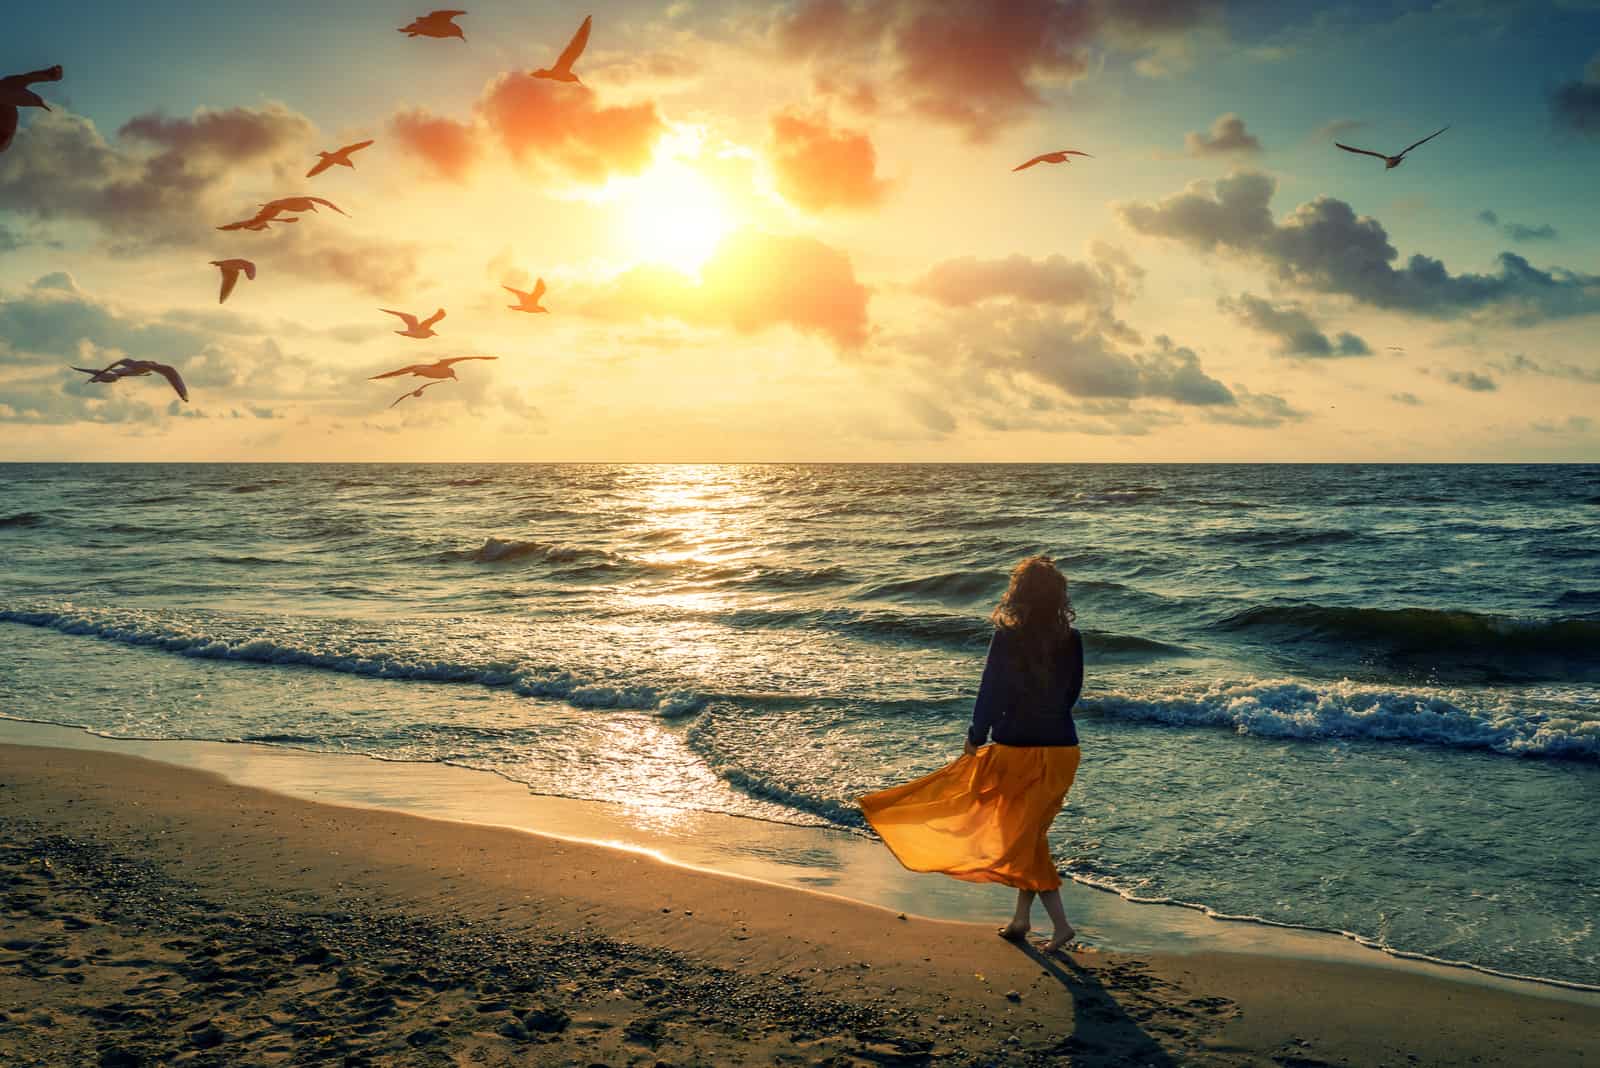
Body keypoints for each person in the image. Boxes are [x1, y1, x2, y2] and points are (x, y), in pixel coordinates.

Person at [859, 555, 1084, 952]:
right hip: (1063, 750)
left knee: (1024, 837)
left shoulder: (1008, 636)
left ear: (1020, 594)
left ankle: (1061, 925)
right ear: (1059, 596)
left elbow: (991, 692)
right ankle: (1020, 921)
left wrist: (975, 736)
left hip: (1018, 749)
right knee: (1029, 835)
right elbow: (1072, 695)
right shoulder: (1072, 639)